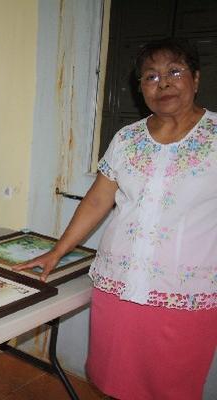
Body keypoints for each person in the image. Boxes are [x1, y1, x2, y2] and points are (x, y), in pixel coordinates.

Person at [14, 37, 217, 399]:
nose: (164, 83)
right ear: (140, 88)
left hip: (184, 296)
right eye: (151, 77)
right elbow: (97, 201)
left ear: (196, 79)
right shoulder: (127, 139)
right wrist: (57, 252)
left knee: (174, 387)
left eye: (174, 72)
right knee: (115, 382)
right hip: (118, 286)